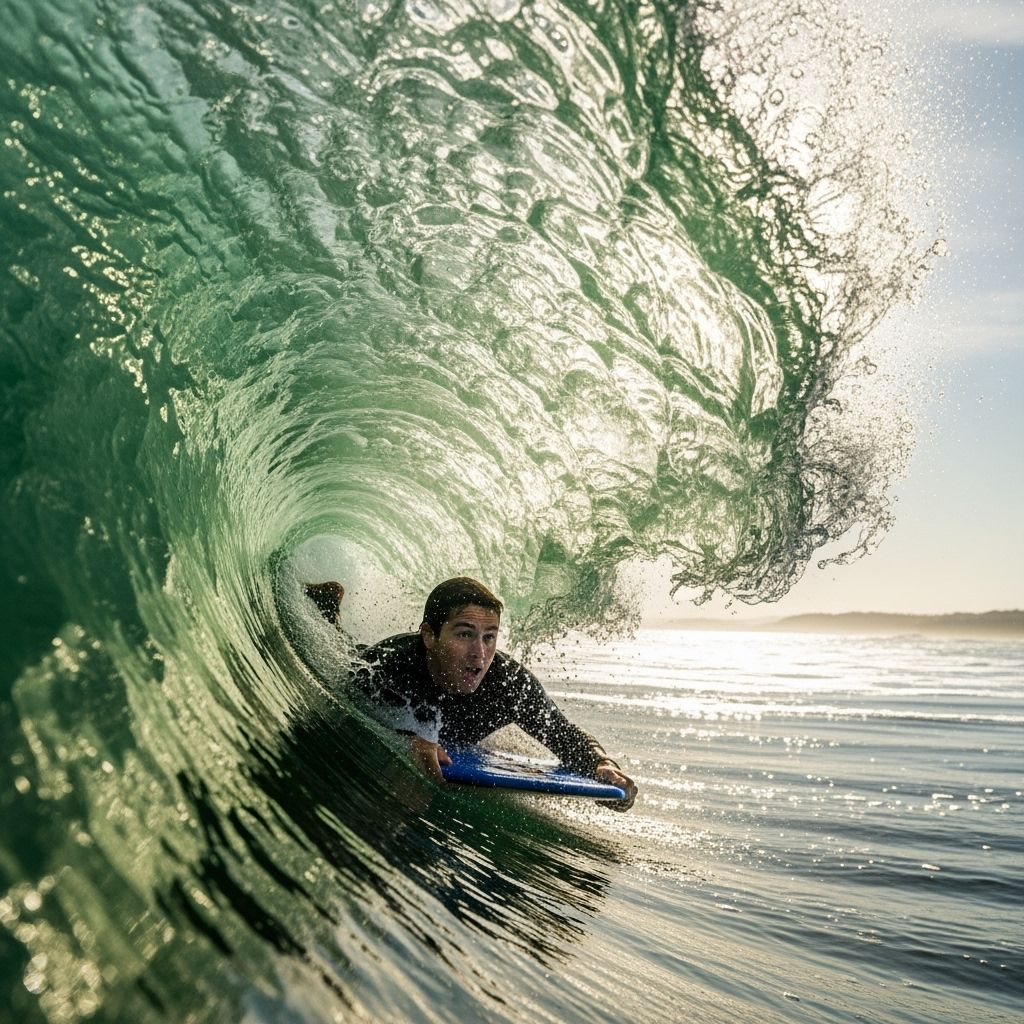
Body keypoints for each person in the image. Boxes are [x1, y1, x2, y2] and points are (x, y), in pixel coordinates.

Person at [308, 576, 637, 810]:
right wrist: (407, 740)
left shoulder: (507, 684)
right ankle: (327, 609)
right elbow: (343, 710)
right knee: (346, 649)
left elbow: (563, 734)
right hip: (364, 658)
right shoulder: (392, 665)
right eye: (465, 634)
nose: (479, 653)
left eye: (489, 637)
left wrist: (601, 764)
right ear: (429, 636)